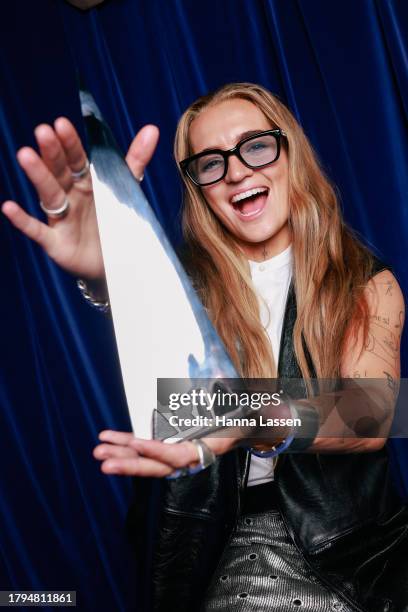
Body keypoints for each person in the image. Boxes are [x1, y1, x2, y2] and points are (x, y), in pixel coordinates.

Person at [2, 82, 407, 612]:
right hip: (221, 547)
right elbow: (169, 380)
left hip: (355, 556)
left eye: (256, 146)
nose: (237, 171)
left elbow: (372, 415)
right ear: (199, 188)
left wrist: (246, 419)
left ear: (292, 154)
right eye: (210, 163)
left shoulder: (365, 281)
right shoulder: (182, 289)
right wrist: (112, 274)